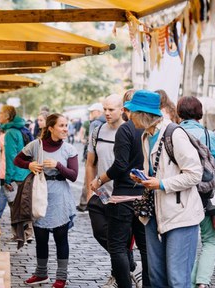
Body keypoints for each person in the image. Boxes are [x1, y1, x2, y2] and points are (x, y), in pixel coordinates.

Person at [126, 90, 204, 287]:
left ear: (142, 114)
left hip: (181, 215)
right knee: (156, 277)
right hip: (155, 215)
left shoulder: (174, 134)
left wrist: (161, 184)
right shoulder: (145, 136)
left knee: (177, 279)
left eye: (131, 112)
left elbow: (195, 174)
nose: (128, 115)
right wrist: (141, 177)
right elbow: (157, 170)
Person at [89, 90, 149, 288]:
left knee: (118, 247)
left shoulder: (127, 129)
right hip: (144, 197)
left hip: (123, 196)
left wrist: (100, 180)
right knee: (145, 247)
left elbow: (120, 165)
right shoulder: (149, 130)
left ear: (127, 109)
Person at [14, 113, 78, 288]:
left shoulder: (69, 149)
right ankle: (41, 273)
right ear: (50, 128)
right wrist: (29, 165)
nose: (65, 129)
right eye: (61, 126)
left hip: (60, 197)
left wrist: (58, 166)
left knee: (60, 237)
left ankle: (61, 277)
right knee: (41, 236)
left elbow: (73, 176)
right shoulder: (36, 145)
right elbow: (17, 159)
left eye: (66, 125)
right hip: (39, 193)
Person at [176, 96, 215, 288]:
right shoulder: (208, 135)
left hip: (179, 194)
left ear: (179, 112)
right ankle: (202, 282)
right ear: (199, 112)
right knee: (210, 239)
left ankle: (184, 280)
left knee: (184, 241)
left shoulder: (173, 132)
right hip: (205, 194)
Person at [85, 94, 124, 287]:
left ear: (122, 110)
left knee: (117, 239)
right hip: (100, 194)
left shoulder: (128, 132)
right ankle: (127, 263)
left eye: (111, 109)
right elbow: (90, 162)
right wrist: (89, 191)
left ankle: (119, 272)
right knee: (99, 231)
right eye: (105, 109)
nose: (106, 113)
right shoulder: (98, 130)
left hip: (121, 195)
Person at [0, 105, 33, 242]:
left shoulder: (10, 133)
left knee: (15, 205)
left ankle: (20, 235)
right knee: (23, 203)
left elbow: (11, 157)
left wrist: (7, 179)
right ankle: (27, 234)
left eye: (0, 113)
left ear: (7, 116)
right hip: (25, 172)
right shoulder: (20, 129)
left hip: (16, 174)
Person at [76, 102, 106, 212]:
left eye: (92, 111)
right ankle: (103, 201)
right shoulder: (107, 123)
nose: (91, 114)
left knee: (88, 179)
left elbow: (91, 142)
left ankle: (85, 203)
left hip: (93, 156)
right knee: (101, 180)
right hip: (103, 157)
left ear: (98, 112)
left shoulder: (95, 123)